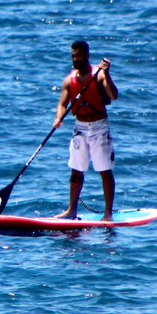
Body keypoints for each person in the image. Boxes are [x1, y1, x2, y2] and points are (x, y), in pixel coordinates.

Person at [53, 40, 119, 220]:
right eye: (73, 56)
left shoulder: (99, 75)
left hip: (99, 127)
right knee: (76, 170)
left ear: (87, 56)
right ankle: (71, 211)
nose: (75, 59)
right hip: (80, 128)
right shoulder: (69, 79)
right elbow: (62, 104)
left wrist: (107, 74)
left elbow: (113, 95)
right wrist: (58, 118)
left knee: (104, 170)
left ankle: (107, 214)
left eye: (79, 56)